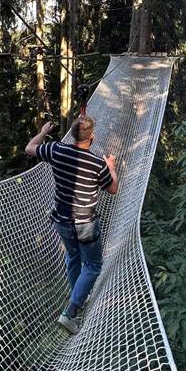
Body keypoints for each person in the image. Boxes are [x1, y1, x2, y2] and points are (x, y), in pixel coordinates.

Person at [25, 116, 118, 335]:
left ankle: (78, 297)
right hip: (85, 223)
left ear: (73, 135)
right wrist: (111, 167)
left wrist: (43, 131)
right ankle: (71, 312)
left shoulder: (57, 150)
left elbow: (30, 148)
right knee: (93, 265)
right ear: (92, 139)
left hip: (62, 221)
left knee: (73, 257)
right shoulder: (97, 164)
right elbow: (113, 189)